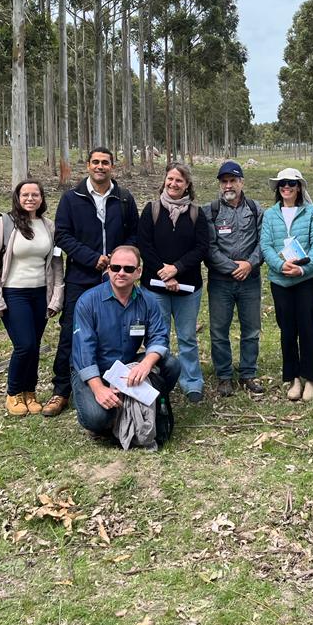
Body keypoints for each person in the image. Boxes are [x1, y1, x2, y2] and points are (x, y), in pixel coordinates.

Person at [45, 147, 139, 418]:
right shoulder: (71, 198)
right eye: (95, 162)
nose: (100, 167)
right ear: (87, 166)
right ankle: (61, 390)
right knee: (70, 334)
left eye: (105, 163)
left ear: (113, 167)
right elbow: (62, 236)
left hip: (119, 278)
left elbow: (134, 234)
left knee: (118, 330)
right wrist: (92, 258)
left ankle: (115, 380)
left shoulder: (123, 198)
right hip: (82, 278)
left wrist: (118, 259)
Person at [71, 245, 181, 438]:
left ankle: (138, 403)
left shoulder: (148, 301)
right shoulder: (87, 302)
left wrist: (145, 364)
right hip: (93, 370)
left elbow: (159, 337)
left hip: (126, 366)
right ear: (108, 269)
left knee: (171, 364)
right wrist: (98, 389)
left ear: (138, 272)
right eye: (115, 267)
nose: (121, 273)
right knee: (97, 419)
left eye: (128, 269)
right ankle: (105, 406)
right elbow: (84, 351)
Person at [0, 179, 64, 417]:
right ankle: (14, 392)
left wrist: (56, 296)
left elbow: (56, 263)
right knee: (24, 345)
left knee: (34, 346)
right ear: (17, 198)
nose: (30, 199)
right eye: (25, 194)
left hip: (40, 293)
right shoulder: (4, 224)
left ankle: (30, 391)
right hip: (13, 293)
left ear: (42, 198)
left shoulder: (48, 226)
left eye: (35, 194)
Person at [138, 162, 210, 404]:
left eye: (179, 180)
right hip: (154, 287)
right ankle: (159, 381)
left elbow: (201, 248)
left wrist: (177, 269)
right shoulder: (152, 210)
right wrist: (163, 273)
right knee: (158, 337)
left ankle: (192, 382)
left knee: (187, 336)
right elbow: (144, 245)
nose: (173, 184)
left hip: (188, 288)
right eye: (170, 179)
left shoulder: (196, 214)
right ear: (164, 181)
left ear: (187, 184)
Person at [260, 168, 313, 402]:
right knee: (287, 330)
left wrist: (303, 268)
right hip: (280, 281)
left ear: (299, 187)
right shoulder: (270, 215)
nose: (286, 187)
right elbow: (266, 245)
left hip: (306, 280)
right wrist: (280, 266)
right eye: (282, 184)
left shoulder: (312, 213)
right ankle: (293, 377)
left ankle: (311, 378)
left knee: (308, 328)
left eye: (291, 183)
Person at [203, 160, 264, 397]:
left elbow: (263, 242)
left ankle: (248, 373)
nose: (228, 185)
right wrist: (231, 267)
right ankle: (224, 376)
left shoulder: (255, 209)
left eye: (233, 181)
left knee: (251, 330)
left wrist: (249, 264)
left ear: (241, 182)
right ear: (220, 184)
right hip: (220, 281)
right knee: (219, 330)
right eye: (224, 181)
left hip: (250, 279)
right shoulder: (210, 210)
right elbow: (209, 247)